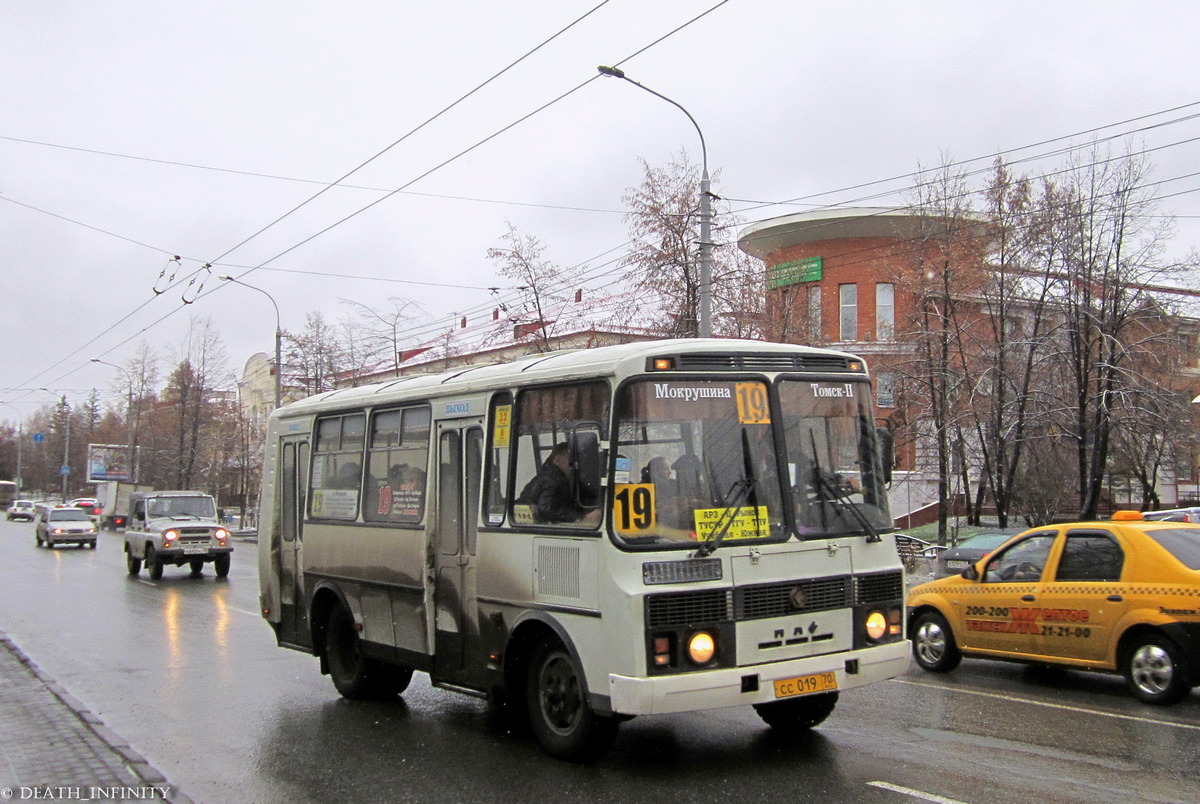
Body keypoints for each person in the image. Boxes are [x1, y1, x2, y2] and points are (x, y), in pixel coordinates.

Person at [516, 442, 596, 524]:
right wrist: (579, 517)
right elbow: (546, 509)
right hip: (530, 525)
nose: (576, 464)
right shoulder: (552, 480)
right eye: (571, 459)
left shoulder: (567, 479)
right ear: (557, 460)